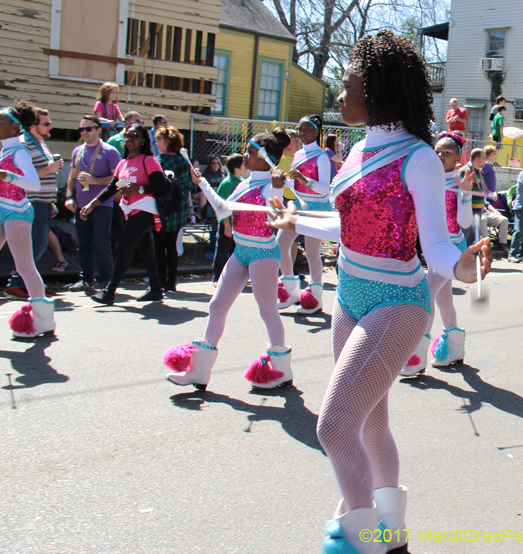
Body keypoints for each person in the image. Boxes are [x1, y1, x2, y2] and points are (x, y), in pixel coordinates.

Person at [266, 30, 491, 554]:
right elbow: (351, 226)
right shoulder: (358, 148)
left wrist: (460, 267)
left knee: (333, 426)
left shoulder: (419, 158)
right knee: (370, 421)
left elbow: (435, 243)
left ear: (377, 90)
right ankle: (391, 530)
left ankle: (362, 535)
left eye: (347, 87)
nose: (338, 96)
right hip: (349, 298)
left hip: (396, 304)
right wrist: (299, 220)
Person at [164, 130, 293, 392]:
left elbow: (276, 212)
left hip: (263, 254)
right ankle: (199, 371)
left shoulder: (270, 185)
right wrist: (202, 183)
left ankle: (281, 371)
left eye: (251, 152)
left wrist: (278, 187)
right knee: (217, 306)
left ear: (266, 159)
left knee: (267, 311)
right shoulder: (245, 183)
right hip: (241, 250)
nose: (244, 155)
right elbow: (223, 209)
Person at [400, 132, 474, 375]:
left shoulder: (460, 181)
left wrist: (465, 194)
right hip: (433, 248)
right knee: (444, 300)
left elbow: (465, 223)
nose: (440, 156)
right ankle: (454, 349)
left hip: (451, 249)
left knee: (426, 295)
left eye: (447, 152)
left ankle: (416, 355)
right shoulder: (428, 179)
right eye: (437, 151)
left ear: (458, 157)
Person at [81, 124, 165, 304]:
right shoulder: (123, 163)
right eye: (128, 135)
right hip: (131, 210)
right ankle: (156, 289)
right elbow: (112, 188)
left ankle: (109, 291)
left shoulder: (148, 160)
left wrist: (138, 189)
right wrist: (91, 204)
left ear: (143, 140)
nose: (130, 138)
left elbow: (161, 184)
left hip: (146, 209)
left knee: (121, 248)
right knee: (146, 251)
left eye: (135, 136)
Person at [0, 102, 56, 339]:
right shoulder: (4, 150)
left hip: (17, 212)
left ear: (15, 127)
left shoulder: (19, 152)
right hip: (3, 209)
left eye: (0, 121)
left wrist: (7, 175)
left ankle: (43, 320)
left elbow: (34, 184)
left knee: (24, 266)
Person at [4, 106, 64, 300]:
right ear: (32, 125)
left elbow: (34, 180)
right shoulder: (20, 145)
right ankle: (19, 285)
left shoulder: (31, 146)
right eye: (46, 124)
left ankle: (35, 296)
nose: (50, 127)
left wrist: (51, 200)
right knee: (34, 249)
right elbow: (25, 178)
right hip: (21, 204)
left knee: (34, 250)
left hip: (33, 204)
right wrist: (49, 169)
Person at [277, 114, 332, 314]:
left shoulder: (322, 156)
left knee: (311, 252)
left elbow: (324, 190)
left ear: (316, 132)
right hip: (299, 207)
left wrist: (303, 179)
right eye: (301, 129)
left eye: (307, 129)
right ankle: (291, 291)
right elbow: (296, 186)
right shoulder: (298, 154)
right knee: (280, 244)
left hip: (317, 209)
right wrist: (285, 181)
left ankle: (315, 298)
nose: (303, 133)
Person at [64, 116, 120, 290]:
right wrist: (69, 197)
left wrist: (94, 181)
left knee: (102, 244)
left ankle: (106, 281)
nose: (84, 132)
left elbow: (118, 178)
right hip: (81, 205)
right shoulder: (77, 151)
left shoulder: (110, 151)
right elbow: (72, 177)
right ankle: (87, 279)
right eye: (81, 129)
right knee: (83, 245)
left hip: (102, 205)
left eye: (88, 129)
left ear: (98, 130)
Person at [154, 127, 193, 292]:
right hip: (178, 207)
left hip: (162, 208)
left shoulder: (159, 161)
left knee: (159, 246)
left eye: (159, 140)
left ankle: (162, 281)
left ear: (167, 142)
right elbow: (188, 185)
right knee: (171, 246)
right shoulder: (183, 160)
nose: (156, 143)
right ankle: (171, 282)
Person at [212, 153, 246, 283]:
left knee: (235, 252)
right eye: (244, 163)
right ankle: (217, 277)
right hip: (227, 224)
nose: (246, 165)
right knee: (222, 251)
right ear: (237, 167)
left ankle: (233, 277)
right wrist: (226, 225)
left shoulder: (242, 182)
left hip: (238, 225)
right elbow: (221, 206)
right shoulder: (227, 183)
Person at [478, 145, 509, 255]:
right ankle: (486, 244)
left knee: (504, 219)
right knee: (482, 219)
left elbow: (486, 203)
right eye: (494, 152)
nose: (496, 154)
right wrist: (486, 188)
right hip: (477, 212)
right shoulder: (485, 166)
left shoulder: (489, 165)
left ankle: (503, 244)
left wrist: (495, 211)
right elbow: (481, 176)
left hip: (486, 209)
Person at [458, 147, 486, 246]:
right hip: (468, 210)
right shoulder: (465, 171)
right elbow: (459, 190)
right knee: (464, 237)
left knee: (473, 238)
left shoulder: (480, 172)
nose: (486, 160)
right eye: (484, 158)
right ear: (477, 159)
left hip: (478, 210)